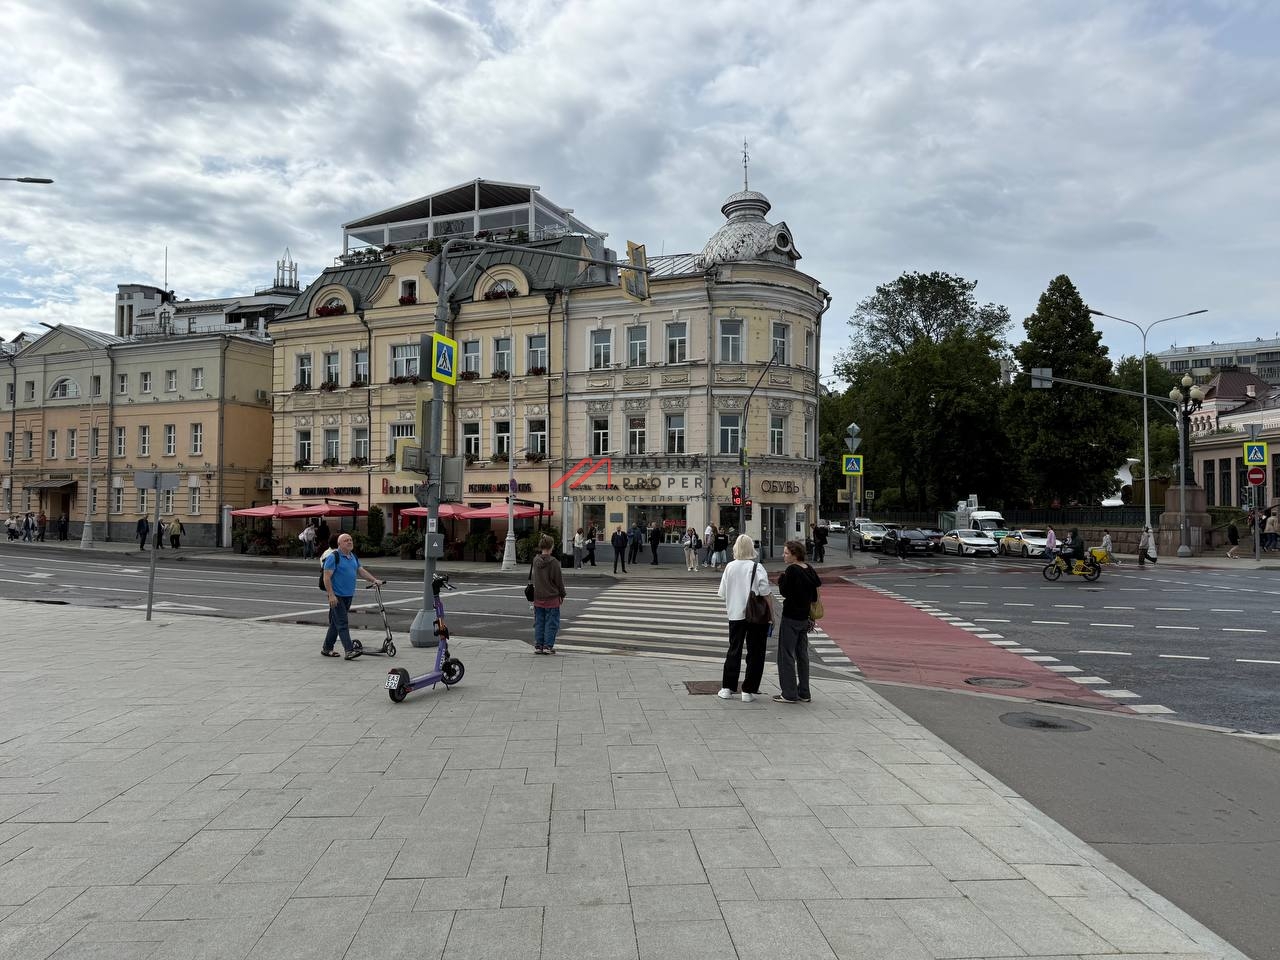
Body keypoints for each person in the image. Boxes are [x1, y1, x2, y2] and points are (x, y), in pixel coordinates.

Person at [716, 534, 772, 702]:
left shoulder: (730, 567)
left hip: (735, 614)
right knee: (755, 652)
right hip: (756, 616)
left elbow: (723, 593)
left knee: (734, 649)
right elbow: (765, 592)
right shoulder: (757, 567)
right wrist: (772, 615)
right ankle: (748, 691)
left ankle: (727, 688)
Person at [321, 532, 383, 660]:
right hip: (337, 596)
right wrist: (331, 595)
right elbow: (326, 578)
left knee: (335, 623)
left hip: (348, 595)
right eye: (346, 540)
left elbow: (361, 570)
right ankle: (349, 650)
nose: (349, 542)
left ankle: (327, 648)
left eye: (350, 540)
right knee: (342, 622)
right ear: (339, 544)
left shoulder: (352, 556)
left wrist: (374, 580)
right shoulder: (334, 557)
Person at [775, 540, 821, 704]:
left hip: (791, 617)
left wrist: (781, 580)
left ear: (795, 555)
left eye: (786, 553)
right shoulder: (809, 569)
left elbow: (785, 592)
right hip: (804, 618)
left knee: (786, 655)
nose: (784, 555)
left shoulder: (792, 570)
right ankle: (804, 692)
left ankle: (788, 693)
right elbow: (814, 596)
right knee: (802, 654)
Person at [531, 534, 566, 654]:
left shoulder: (535, 560)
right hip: (552, 598)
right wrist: (562, 594)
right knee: (551, 623)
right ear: (551, 546)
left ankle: (539, 645)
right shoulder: (554, 562)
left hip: (538, 597)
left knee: (539, 622)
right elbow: (558, 581)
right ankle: (547, 646)